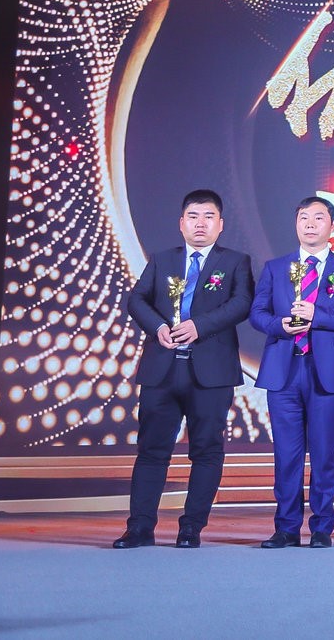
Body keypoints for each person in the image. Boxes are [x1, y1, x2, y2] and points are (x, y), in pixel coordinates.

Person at [114, 189, 255, 549]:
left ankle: (191, 528)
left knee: (206, 450)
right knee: (152, 450)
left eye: (208, 217)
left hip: (211, 372)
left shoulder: (235, 262)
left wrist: (199, 326)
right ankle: (140, 528)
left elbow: (242, 303)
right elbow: (137, 299)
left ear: (220, 224)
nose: (200, 224)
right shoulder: (162, 260)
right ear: (181, 223)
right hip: (161, 369)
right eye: (193, 216)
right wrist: (158, 327)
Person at [250, 195, 334, 548]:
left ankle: (321, 527)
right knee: (286, 454)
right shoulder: (276, 268)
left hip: (325, 371)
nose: (311, 224)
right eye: (304, 217)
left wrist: (318, 315)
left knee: (324, 452)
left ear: (333, 226)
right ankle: (286, 528)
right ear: (296, 224)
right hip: (284, 370)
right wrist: (279, 324)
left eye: (319, 218)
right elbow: (257, 313)